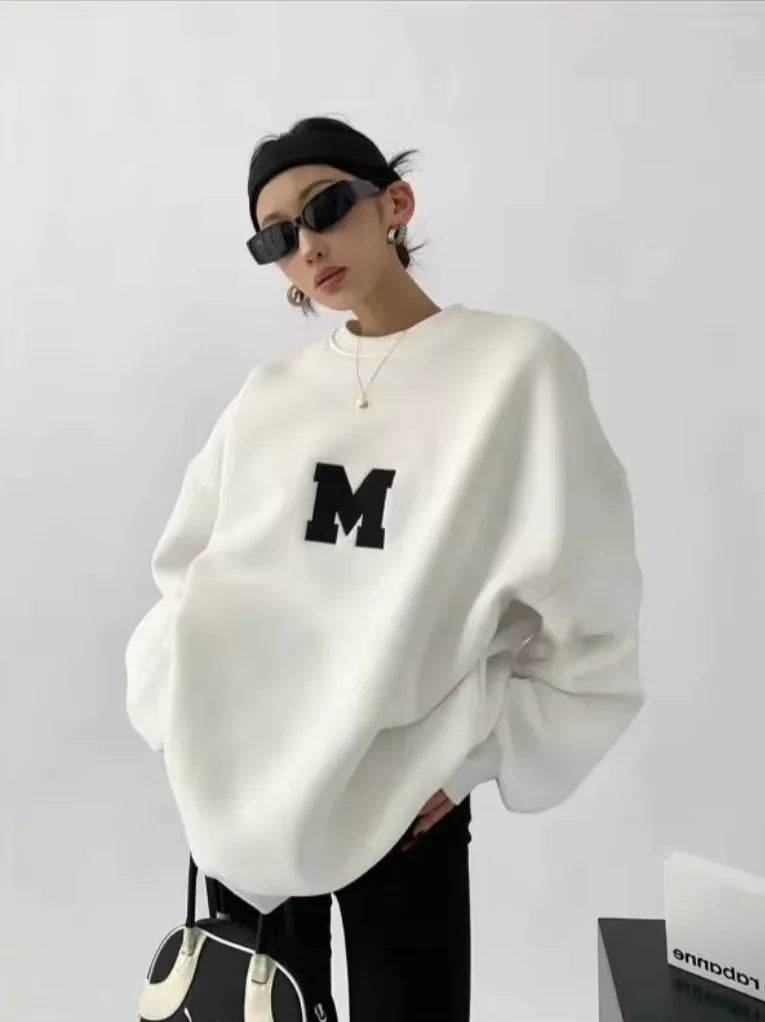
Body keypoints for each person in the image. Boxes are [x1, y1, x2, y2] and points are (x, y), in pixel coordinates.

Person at [125, 115, 645, 1021]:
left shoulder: (516, 370)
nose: (307, 245)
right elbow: (186, 574)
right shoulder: (269, 398)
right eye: (276, 238)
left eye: (325, 207)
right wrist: (187, 716)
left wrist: (474, 757)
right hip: (242, 791)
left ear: (394, 203)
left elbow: (589, 606)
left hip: (405, 798)